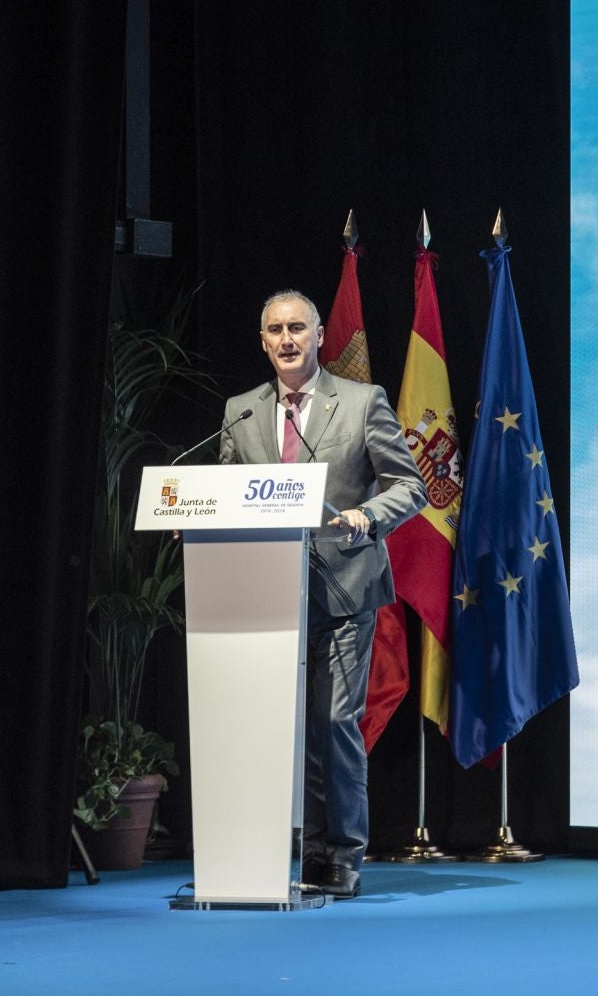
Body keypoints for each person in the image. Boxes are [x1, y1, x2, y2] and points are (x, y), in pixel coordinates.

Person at [216, 289, 427, 899]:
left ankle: (342, 855)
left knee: (333, 721)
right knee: (289, 728)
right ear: (263, 341)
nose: (287, 339)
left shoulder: (362, 403)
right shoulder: (241, 410)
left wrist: (367, 515)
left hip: (344, 585)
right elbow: (229, 490)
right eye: (276, 330)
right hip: (268, 591)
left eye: (298, 329)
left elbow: (408, 485)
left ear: (316, 337)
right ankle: (303, 853)